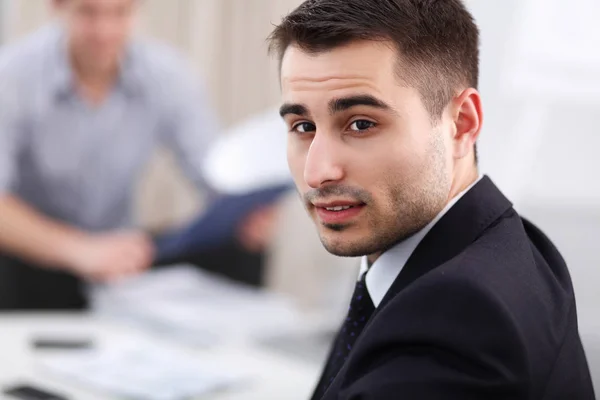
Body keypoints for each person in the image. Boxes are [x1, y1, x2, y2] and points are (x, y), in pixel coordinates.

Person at [267, 0, 595, 399]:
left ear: (462, 123)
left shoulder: (460, 320)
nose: (317, 172)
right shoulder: (496, 243)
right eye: (303, 126)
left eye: (361, 124)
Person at [0, 0, 218, 310]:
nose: (105, 31)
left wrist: (242, 209)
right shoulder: (11, 77)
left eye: (120, 13)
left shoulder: (169, 75)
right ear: (57, 7)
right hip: (28, 264)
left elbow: (212, 173)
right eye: (88, 12)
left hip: (118, 267)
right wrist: (80, 250)